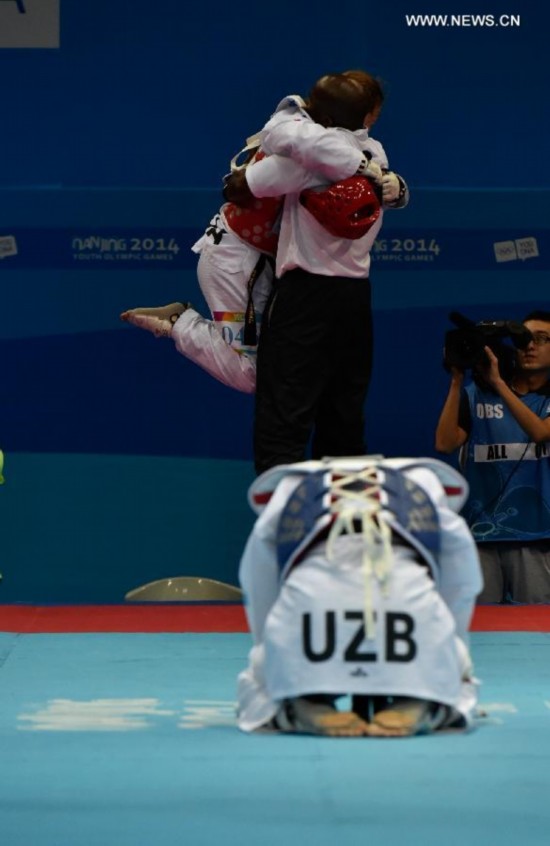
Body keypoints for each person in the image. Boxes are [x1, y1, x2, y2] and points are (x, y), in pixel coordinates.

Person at [121, 71, 407, 398]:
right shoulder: (300, 143)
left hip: (265, 264)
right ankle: (180, 322)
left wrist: (395, 187)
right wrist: (355, 167)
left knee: (289, 364)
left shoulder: (350, 145)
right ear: (333, 117)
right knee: (256, 374)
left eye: (373, 117)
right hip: (234, 262)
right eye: (367, 116)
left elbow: (370, 163)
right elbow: (237, 188)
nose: (369, 125)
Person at [224, 72, 409, 474]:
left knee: (283, 420)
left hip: (304, 299)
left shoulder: (304, 161)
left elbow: (237, 188)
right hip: (354, 302)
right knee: (344, 418)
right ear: (372, 116)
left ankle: (281, 527)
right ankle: (345, 531)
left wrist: (270, 159)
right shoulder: (377, 156)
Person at [237, 454, 482, 737]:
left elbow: (258, 576)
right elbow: (461, 574)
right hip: (409, 612)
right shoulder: (424, 481)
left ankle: (302, 703)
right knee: (455, 661)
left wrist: (268, 649)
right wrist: (450, 647)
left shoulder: (292, 483)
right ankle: (425, 702)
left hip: (310, 613)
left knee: (263, 671)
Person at [435, 310, 550, 603]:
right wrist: (457, 382)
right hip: (480, 534)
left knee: (537, 630)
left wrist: (499, 383)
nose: (530, 346)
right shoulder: (477, 395)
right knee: (482, 631)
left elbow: (540, 433)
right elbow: (444, 444)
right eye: (523, 339)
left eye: (541, 339)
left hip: (536, 536)